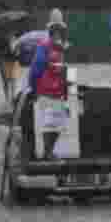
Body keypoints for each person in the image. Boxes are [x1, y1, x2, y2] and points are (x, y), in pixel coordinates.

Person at [28, 10, 70, 160]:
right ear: (51, 31)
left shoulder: (61, 49)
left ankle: (49, 152)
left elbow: (63, 70)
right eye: (55, 29)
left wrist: (66, 90)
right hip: (45, 92)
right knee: (49, 124)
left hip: (57, 92)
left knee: (57, 125)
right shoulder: (44, 46)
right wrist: (33, 88)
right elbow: (35, 69)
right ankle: (47, 153)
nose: (58, 33)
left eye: (60, 30)